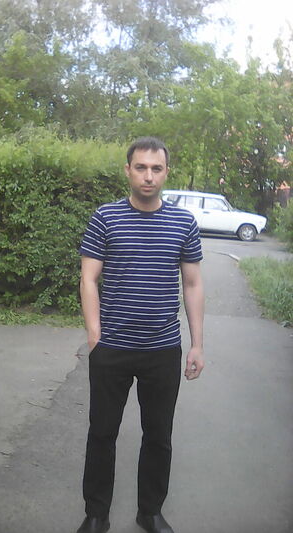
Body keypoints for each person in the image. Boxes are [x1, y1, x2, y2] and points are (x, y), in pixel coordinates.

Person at [76, 137, 204, 533]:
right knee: (102, 433)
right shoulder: (106, 217)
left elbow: (193, 284)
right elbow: (88, 278)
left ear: (166, 172)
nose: (148, 176)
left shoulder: (183, 222)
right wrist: (95, 336)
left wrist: (197, 344)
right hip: (112, 348)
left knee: (159, 436)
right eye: (141, 167)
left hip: (162, 349)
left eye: (156, 168)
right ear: (128, 170)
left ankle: (150, 511)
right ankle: (96, 514)